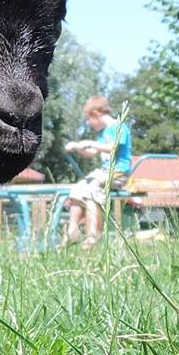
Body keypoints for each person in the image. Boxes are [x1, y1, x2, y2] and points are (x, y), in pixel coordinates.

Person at [63, 95, 132, 248]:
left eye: (89, 119)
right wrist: (78, 147)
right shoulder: (104, 132)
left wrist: (89, 142)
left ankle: (93, 236)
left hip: (119, 172)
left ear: (96, 114)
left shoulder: (119, 126)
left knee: (92, 189)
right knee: (77, 188)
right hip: (104, 171)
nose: (89, 123)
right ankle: (72, 231)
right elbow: (93, 152)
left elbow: (112, 147)